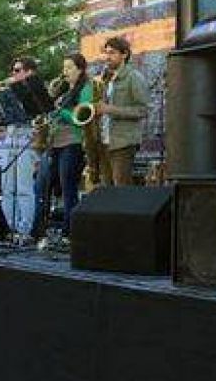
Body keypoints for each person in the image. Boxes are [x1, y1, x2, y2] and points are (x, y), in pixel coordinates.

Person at [43, 53, 94, 237]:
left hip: (73, 142)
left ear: (80, 70)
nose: (65, 71)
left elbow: (79, 117)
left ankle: (70, 231)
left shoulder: (86, 87)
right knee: (48, 184)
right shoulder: (63, 91)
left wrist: (60, 110)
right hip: (55, 143)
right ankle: (48, 227)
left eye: (69, 67)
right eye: (64, 68)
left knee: (68, 188)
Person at [97, 36, 149, 186]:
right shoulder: (106, 78)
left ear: (124, 54)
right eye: (106, 53)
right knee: (107, 190)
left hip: (124, 143)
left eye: (112, 53)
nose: (107, 57)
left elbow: (143, 110)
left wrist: (110, 109)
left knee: (121, 187)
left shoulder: (134, 77)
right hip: (105, 140)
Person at [0, 56, 39, 239]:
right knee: (7, 187)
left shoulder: (36, 91)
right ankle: (8, 227)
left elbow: (38, 114)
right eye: (13, 70)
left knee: (24, 187)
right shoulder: (10, 92)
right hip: (10, 135)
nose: (13, 74)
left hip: (26, 136)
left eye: (17, 70)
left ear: (29, 72)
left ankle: (24, 229)